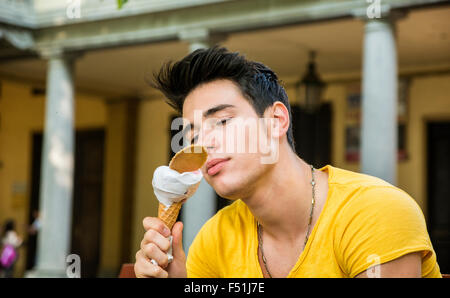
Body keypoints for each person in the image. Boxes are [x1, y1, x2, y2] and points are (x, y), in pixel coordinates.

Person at [134, 46, 441, 278]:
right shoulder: (215, 239)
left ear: (276, 120)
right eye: (192, 134)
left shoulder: (374, 211)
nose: (203, 144)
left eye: (223, 122)